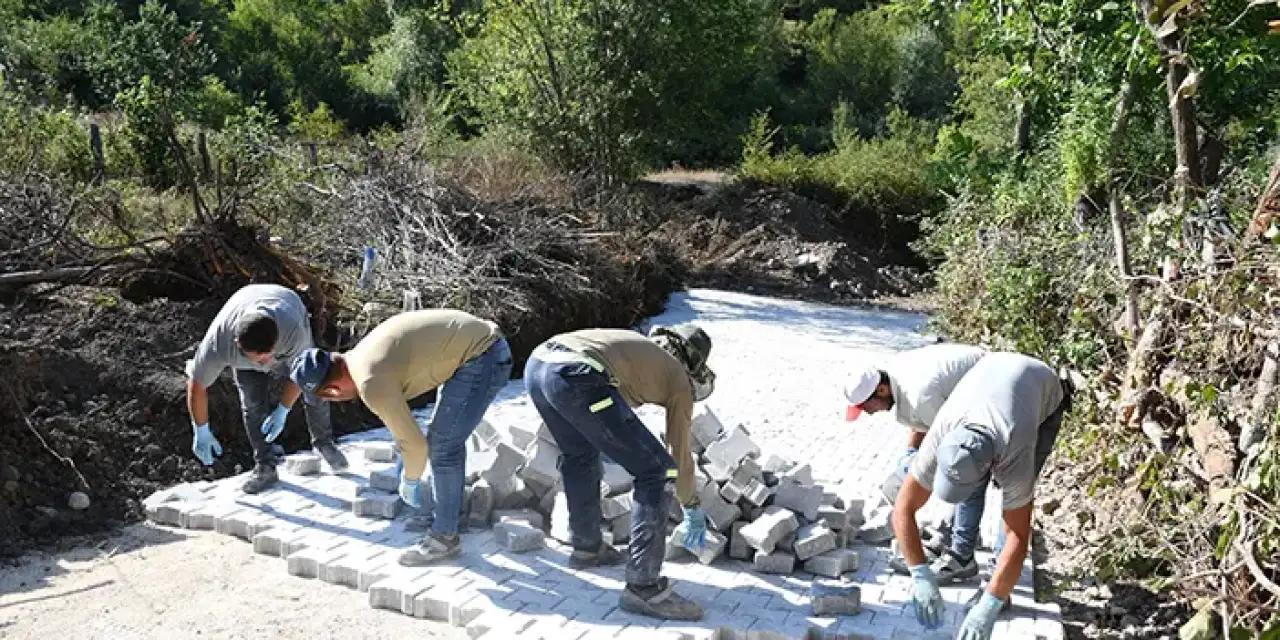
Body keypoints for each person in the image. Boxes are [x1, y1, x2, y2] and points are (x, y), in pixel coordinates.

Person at [288, 309, 512, 566]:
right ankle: (450, 509)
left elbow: (415, 445)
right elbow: (406, 431)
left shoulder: (370, 382)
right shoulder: (360, 356)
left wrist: (410, 479)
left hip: (483, 356)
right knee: (444, 438)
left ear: (332, 390)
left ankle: (444, 538)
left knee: (443, 447)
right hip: (474, 348)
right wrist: (406, 454)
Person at [523, 324, 715, 621]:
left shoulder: (638, 349)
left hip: (538, 367)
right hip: (577, 375)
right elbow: (679, 453)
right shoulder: (678, 378)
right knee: (657, 471)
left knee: (579, 455)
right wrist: (691, 505)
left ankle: (587, 548)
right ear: (695, 365)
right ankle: (644, 587)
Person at [892, 352, 1073, 640]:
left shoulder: (1016, 447)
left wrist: (990, 604)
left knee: (1013, 504)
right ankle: (962, 558)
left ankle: (1000, 588)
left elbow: (1018, 533)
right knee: (970, 483)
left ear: (992, 465)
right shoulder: (942, 431)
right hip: (990, 380)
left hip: (1040, 391)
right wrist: (920, 574)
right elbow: (903, 509)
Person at [842, 342, 988, 581]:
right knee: (954, 470)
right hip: (966, 393)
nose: (867, 413)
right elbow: (922, 421)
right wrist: (910, 452)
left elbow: (951, 439)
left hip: (993, 393)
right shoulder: (897, 376)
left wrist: (915, 479)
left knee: (968, 470)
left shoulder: (920, 394)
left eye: (865, 406)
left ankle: (962, 557)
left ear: (881, 391)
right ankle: (950, 536)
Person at [185, 283, 349, 494]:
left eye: (268, 356)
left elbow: (304, 374)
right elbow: (197, 384)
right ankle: (265, 466)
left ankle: (324, 443)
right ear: (238, 344)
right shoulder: (219, 343)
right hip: (243, 316)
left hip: (286, 304)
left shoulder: (291, 330)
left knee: (314, 387)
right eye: (258, 359)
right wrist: (201, 430)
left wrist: (283, 410)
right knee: (252, 404)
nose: (265, 364)